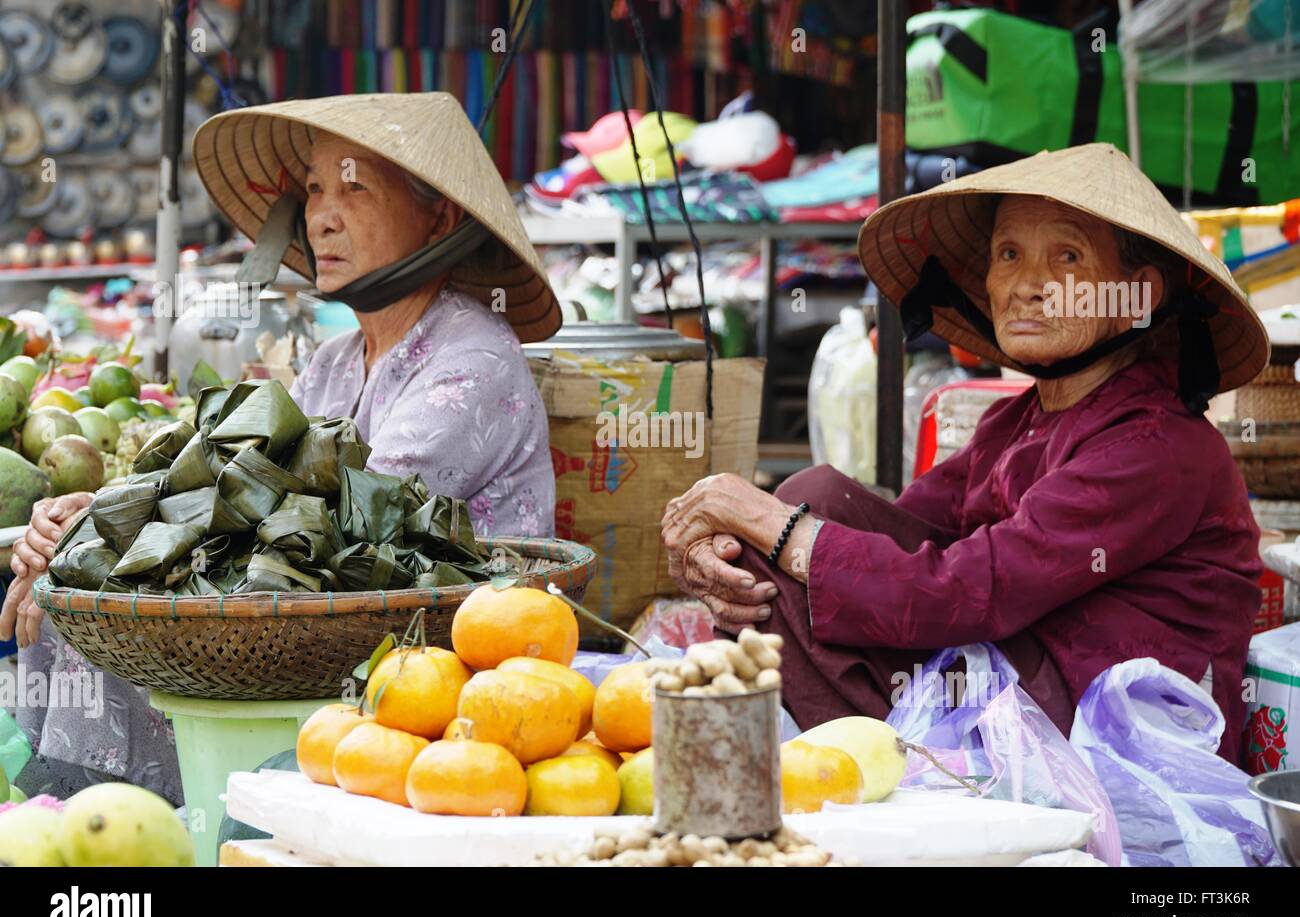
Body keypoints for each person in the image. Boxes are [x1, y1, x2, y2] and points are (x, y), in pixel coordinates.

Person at [1, 92, 562, 799]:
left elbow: (342, 530)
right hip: (328, 636)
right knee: (86, 586)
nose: (321, 215)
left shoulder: (472, 359)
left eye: (353, 187)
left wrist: (122, 535)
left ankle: (144, 818)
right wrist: (92, 525)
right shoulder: (332, 362)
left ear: (439, 218)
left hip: (431, 668)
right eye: (316, 189)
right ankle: (102, 820)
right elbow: (241, 492)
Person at [662, 144, 1268, 764]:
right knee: (811, 499)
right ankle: (772, 757)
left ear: (1136, 294)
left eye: (1067, 257)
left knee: (788, 537)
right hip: (1008, 685)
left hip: (1106, 740)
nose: (1028, 285)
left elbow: (973, 587)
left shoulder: (1159, 445)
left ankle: (809, 763)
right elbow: (892, 535)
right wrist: (729, 539)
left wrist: (763, 522)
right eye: (1009, 254)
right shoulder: (1017, 420)